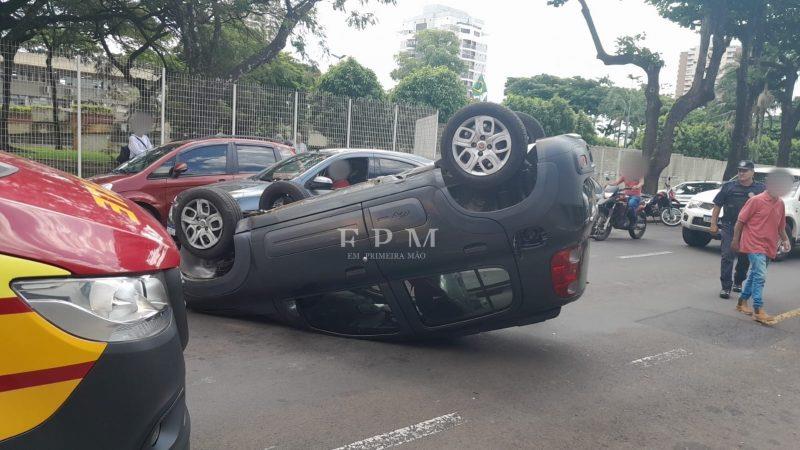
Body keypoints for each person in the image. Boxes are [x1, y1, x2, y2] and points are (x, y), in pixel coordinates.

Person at [731, 169, 793, 323]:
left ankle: (741, 302)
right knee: (760, 275)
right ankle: (758, 309)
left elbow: (781, 227)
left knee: (754, 275)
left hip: (769, 245)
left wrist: (786, 240)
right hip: (753, 243)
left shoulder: (780, 204)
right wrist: (735, 240)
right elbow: (740, 222)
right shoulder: (756, 200)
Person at [710, 160, 765, 299]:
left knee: (744, 257)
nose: (741, 173)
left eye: (744, 170)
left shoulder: (761, 189)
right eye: (739, 170)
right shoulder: (729, 187)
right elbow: (717, 206)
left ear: (752, 172)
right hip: (729, 225)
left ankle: (739, 281)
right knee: (727, 255)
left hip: (749, 228)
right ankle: (726, 287)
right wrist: (713, 224)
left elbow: (767, 208)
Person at [607, 160, 644, 229]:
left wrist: (637, 186)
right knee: (614, 203)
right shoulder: (625, 175)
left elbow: (641, 182)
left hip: (635, 196)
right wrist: (608, 185)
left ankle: (634, 221)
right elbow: (616, 182)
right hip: (625, 195)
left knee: (630, 205)